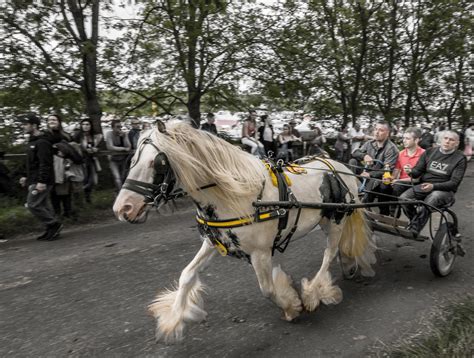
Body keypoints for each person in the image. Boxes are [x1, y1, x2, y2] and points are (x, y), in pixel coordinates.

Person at [401, 130, 467, 237]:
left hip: (445, 191)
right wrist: (411, 171)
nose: (447, 142)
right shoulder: (429, 152)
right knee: (403, 198)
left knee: (433, 197)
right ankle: (415, 220)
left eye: (451, 140)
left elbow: (454, 183)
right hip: (424, 185)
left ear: (457, 143)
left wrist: (433, 186)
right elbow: (417, 171)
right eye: (445, 138)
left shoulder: (460, 158)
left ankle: (415, 228)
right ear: (441, 140)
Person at [19, 113, 63, 241]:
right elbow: (31, 163)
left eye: (26, 124)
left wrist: (42, 181)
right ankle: (51, 229)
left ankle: (54, 224)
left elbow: (45, 163)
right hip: (33, 179)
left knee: (32, 204)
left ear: (34, 125)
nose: (23, 126)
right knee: (42, 204)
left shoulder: (42, 142)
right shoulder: (31, 142)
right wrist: (25, 176)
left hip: (42, 180)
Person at [350, 120, 399, 215]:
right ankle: (351, 187)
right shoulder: (369, 143)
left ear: (387, 133)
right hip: (366, 174)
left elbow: (387, 170)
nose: (376, 132)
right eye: (376, 129)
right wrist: (364, 156)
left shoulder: (391, 149)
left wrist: (370, 174)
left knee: (374, 182)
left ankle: (365, 206)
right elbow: (355, 152)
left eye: (380, 130)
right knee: (353, 161)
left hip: (379, 178)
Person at [73, 118, 103, 203]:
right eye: (84, 124)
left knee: (92, 180)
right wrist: (84, 149)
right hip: (81, 160)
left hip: (92, 159)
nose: (85, 126)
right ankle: (79, 199)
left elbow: (99, 146)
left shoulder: (94, 136)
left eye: (87, 124)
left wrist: (96, 149)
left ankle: (88, 196)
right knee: (83, 178)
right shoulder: (78, 135)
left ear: (91, 126)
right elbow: (74, 146)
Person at [392, 127, 425, 197]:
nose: (404, 141)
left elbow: (418, 178)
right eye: (403, 138)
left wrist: (398, 181)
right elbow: (396, 170)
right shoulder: (401, 153)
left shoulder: (424, 154)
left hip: (416, 183)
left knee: (397, 186)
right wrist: (391, 178)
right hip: (401, 183)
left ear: (416, 140)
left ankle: (395, 206)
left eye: (407, 139)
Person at [105, 120, 131, 191]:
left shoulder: (124, 134)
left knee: (123, 177)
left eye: (120, 127)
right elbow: (110, 147)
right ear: (112, 127)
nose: (119, 128)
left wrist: (124, 137)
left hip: (123, 160)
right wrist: (123, 149)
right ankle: (120, 193)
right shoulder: (109, 134)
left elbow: (128, 147)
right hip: (113, 160)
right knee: (117, 178)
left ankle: (123, 191)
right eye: (117, 127)